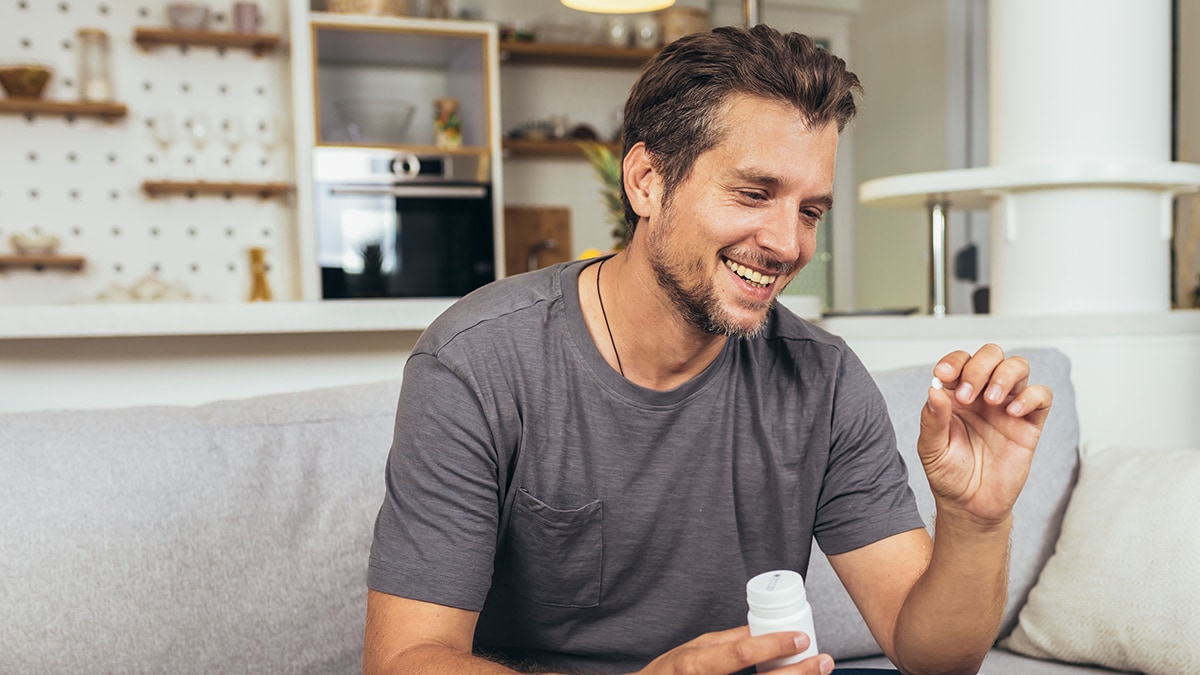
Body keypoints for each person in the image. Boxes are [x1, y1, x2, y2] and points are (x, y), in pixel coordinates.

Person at [363, 23, 1053, 675]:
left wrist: (975, 518)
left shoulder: (826, 379)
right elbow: (405, 659)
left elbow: (931, 654)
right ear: (647, 182)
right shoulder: (479, 361)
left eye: (810, 210)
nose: (788, 244)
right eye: (755, 193)